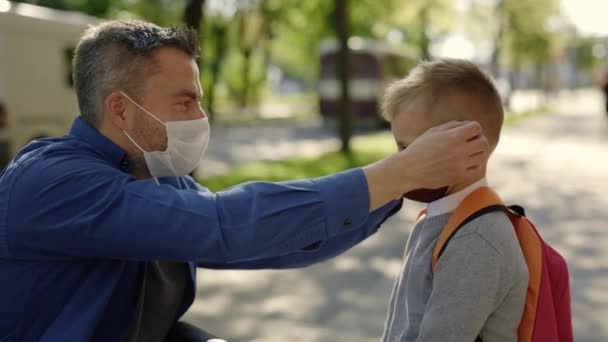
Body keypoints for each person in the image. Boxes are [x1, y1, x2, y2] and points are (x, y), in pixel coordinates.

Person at [0, 21, 488, 342]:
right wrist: (396, 172)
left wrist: (397, 185)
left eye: (200, 100)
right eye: (184, 102)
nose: (201, 116)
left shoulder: (154, 177)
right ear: (121, 108)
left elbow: (265, 241)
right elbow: (226, 225)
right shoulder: (50, 182)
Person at [380, 59, 528, 342]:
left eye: (413, 149)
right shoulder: (439, 215)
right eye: (400, 148)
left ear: (471, 146)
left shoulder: (477, 238)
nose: (402, 161)